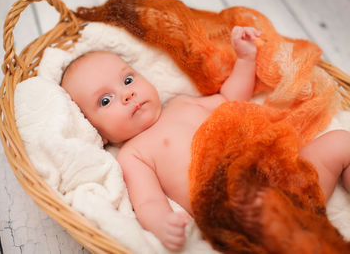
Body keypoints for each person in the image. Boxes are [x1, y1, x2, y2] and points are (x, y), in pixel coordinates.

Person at [61, 26, 350, 252]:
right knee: (271, 215)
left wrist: (246, 59)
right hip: (243, 208)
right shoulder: (134, 154)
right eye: (106, 100)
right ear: (96, 130)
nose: (127, 94)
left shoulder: (183, 103)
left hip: (290, 176)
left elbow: (231, 97)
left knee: (341, 142)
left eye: (128, 80)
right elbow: (148, 201)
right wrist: (162, 224)